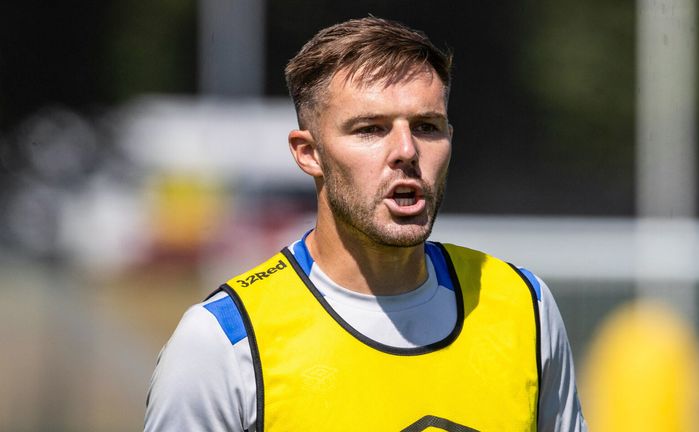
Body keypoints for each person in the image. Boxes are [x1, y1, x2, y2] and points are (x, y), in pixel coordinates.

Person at [145, 17, 587, 432]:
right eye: (371, 129)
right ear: (308, 153)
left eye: (427, 127)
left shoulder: (524, 307)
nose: (407, 151)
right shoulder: (223, 342)